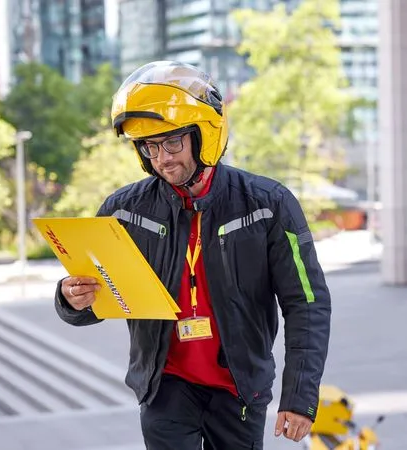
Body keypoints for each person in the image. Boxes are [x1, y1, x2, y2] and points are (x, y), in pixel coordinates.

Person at [54, 61, 332, 449]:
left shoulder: (270, 205)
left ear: (205, 135)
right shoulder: (123, 211)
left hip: (240, 392)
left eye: (172, 142)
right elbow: (94, 299)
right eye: (149, 147)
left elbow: (308, 302)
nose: (162, 158)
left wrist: (300, 397)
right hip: (165, 390)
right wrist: (71, 298)